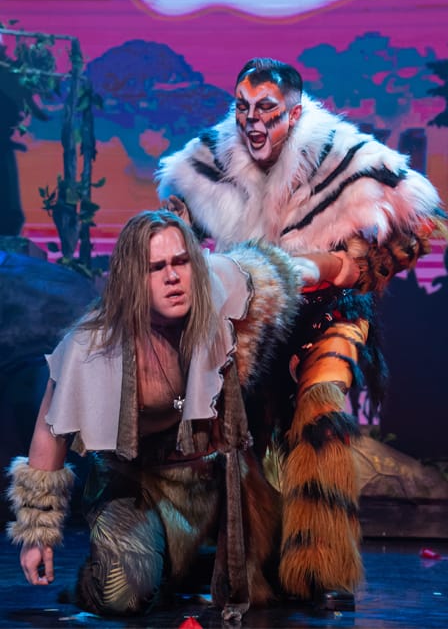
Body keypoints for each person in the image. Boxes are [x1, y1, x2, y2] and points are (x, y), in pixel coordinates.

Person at [156, 57, 447, 611]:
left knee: (320, 413)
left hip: (329, 311)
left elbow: (413, 233)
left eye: (265, 108)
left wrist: (336, 265)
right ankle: (245, 558)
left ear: (293, 113)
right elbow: (172, 228)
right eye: (242, 108)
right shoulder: (207, 159)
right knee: (239, 427)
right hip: (257, 310)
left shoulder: (347, 156)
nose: (252, 122)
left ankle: (321, 565)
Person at [6, 209, 358, 621]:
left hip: (222, 478)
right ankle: (128, 572)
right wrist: (37, 534)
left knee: (292, 573)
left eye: (181, 262)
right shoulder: (93, 347)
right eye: (156, 268)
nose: (173, 277)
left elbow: (294, 269)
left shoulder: (226, 286)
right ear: (132, 279)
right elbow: (50, 432)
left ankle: (197, 567)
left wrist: (342, 267)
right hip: (141, 486)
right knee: (120, 596)